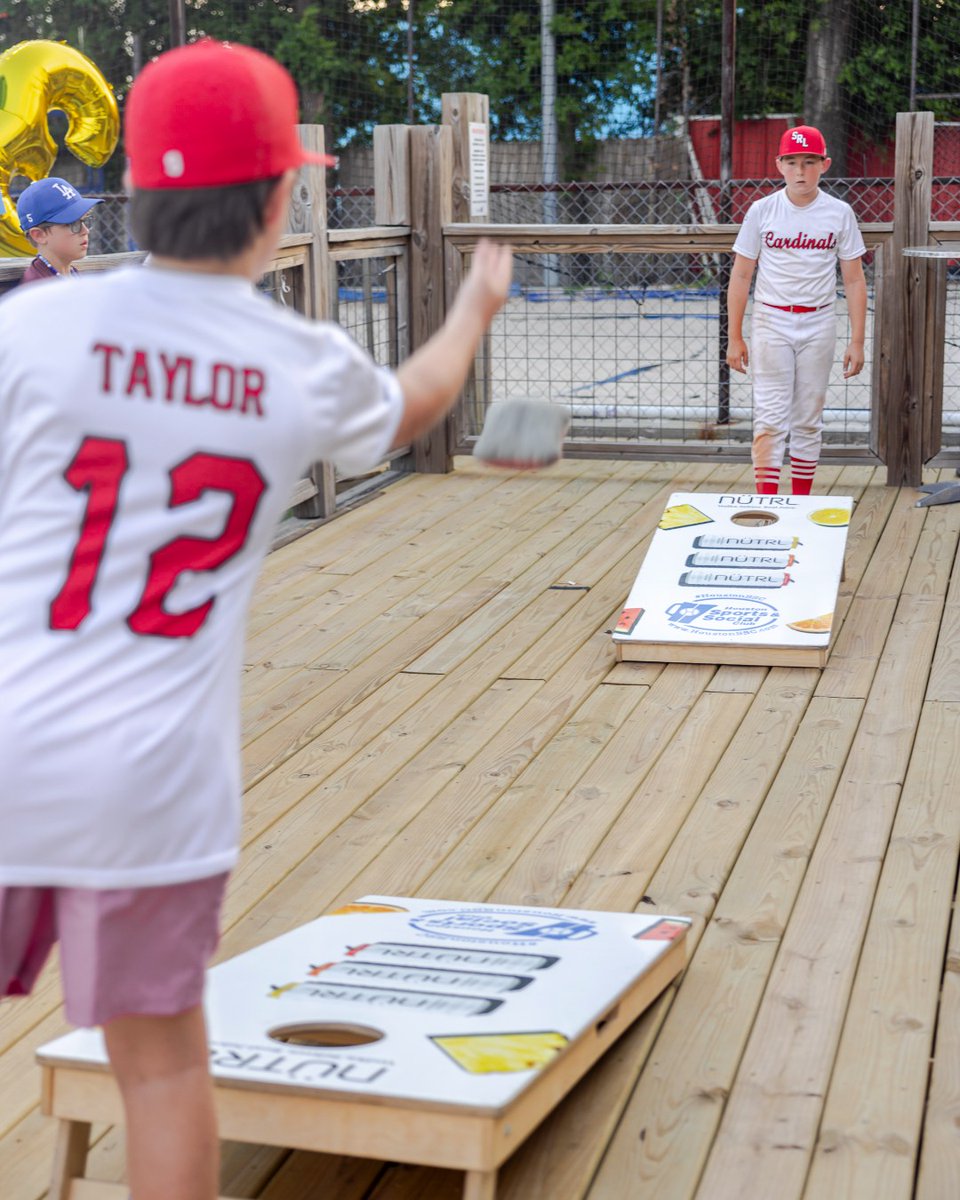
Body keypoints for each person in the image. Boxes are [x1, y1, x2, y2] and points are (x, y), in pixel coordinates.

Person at [0, 39, 512, 1200]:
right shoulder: (296, 361)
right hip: (154, 784)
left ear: (135, 191)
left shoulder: (30, 329)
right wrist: (476, 303)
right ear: (280, 200)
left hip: (6, 733)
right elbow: (415, 404)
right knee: (165, 1070)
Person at [725, 124, 867, 495]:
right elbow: (741, 275)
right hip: (772, 319)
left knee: (808, 416)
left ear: (825, 164)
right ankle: (768, 502)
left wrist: (858, 340)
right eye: (792, 162)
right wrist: (735, 336)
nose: (800, 171)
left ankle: (800, 501)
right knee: (770, 417)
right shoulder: (762, 210)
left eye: (809, 162)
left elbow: (853, 280)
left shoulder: (839, 212)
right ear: (779, 165)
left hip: (819, 319)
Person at [15, 176, 102, 284]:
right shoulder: (38, 288)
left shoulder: (69, 274)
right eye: (72, 223)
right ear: (39, 235)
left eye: (84, 221)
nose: (85, 231)